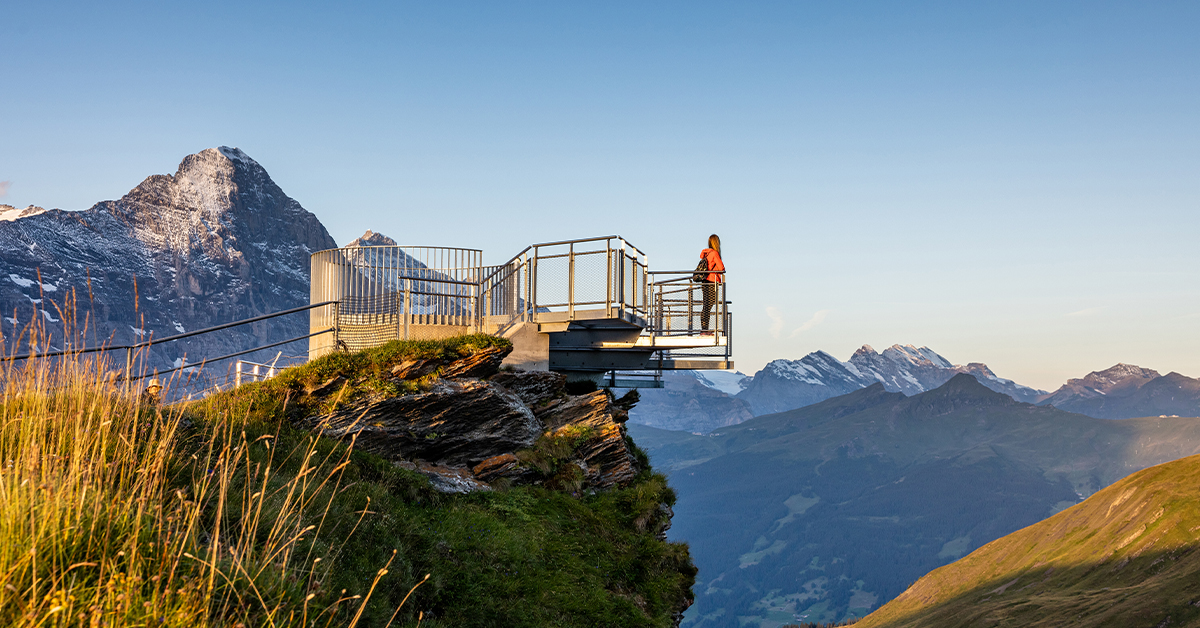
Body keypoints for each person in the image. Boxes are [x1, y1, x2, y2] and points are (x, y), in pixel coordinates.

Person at [699, 234, 724, 333]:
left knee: (706, 305)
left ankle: (704, 329)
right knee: (708, 305)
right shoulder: (714, 253)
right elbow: (721, 268)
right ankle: (704, 330)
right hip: (711, 282)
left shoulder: (707, 253)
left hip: (705, 281)